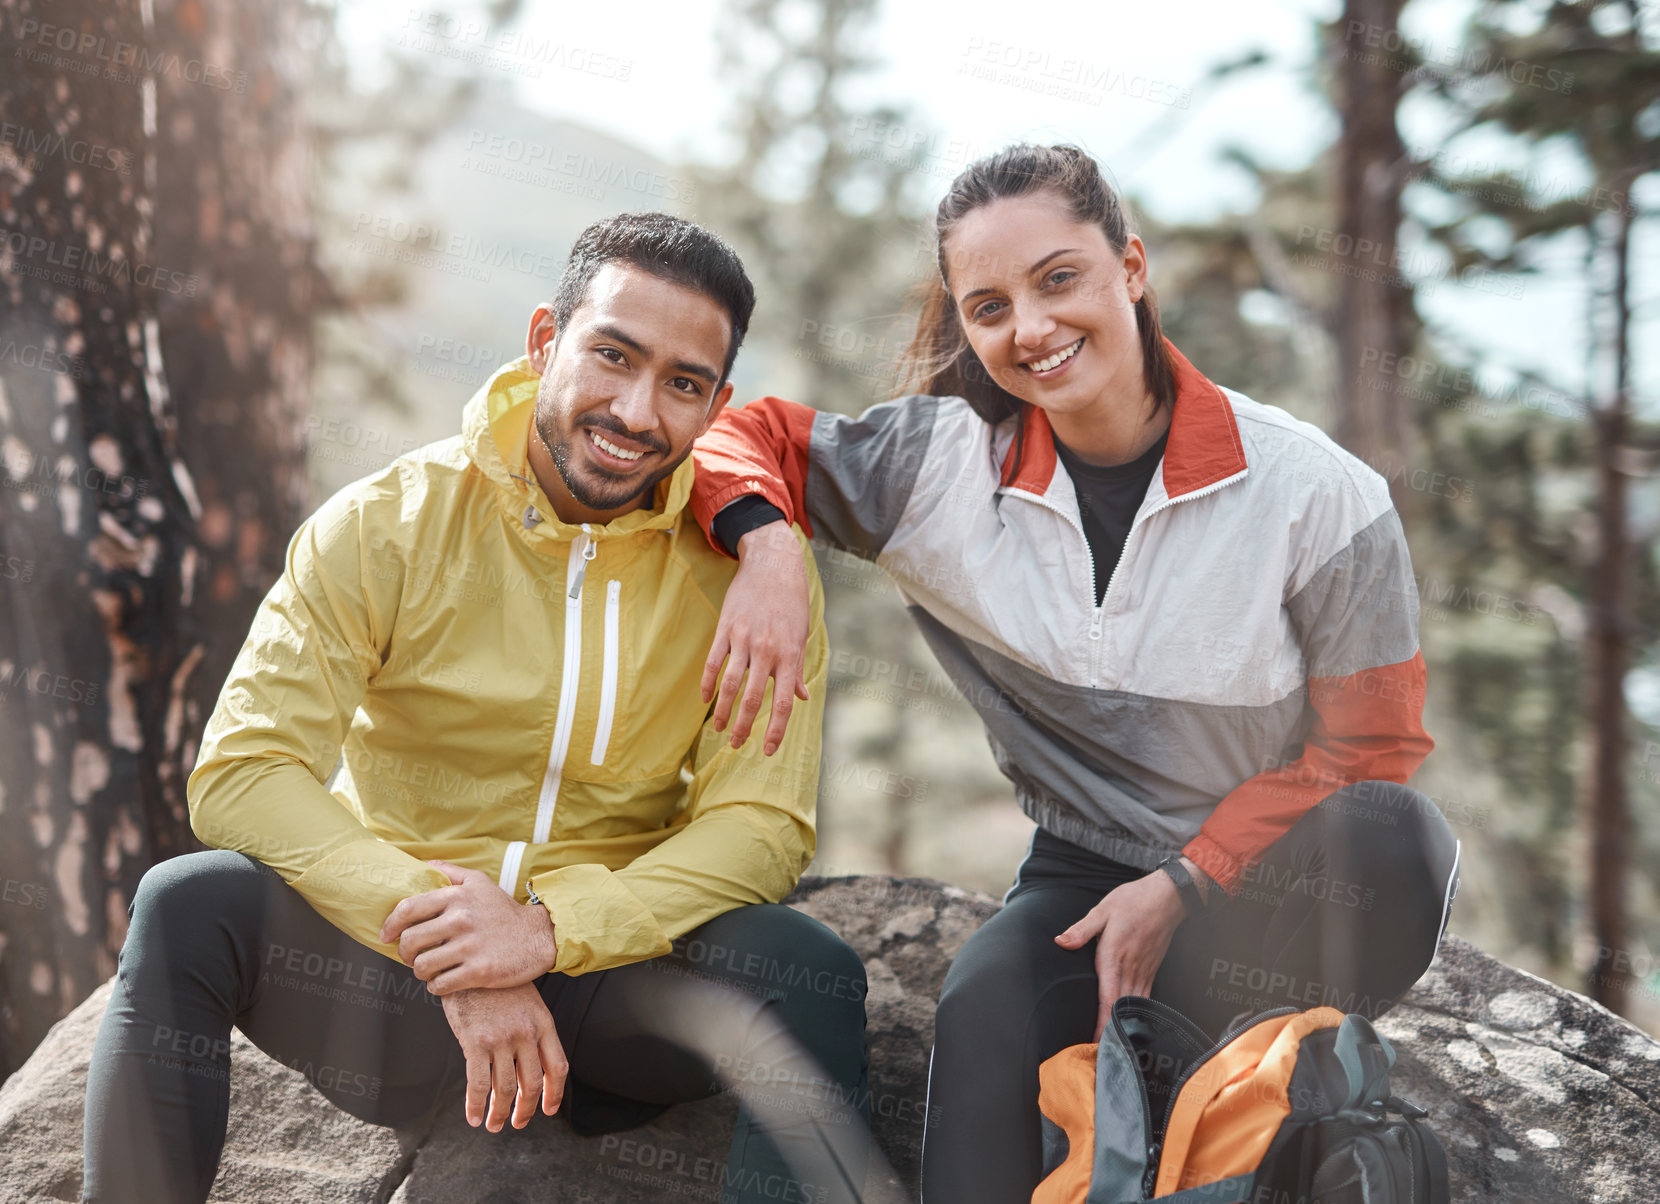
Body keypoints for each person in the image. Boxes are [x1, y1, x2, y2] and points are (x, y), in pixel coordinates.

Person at [688, 144, 1462, 1203]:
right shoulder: (935, 470)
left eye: (1060, 279)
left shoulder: (1317, 493)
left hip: (1264, 876)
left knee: (1393, 834)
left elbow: (1372, 744)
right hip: (1080, 880)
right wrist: (769, 548)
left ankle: (1242, 1104)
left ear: (1130, 267)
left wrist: (1186, 880)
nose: (1032, 329)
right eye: (989, 304)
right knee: (987, 1002)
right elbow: (741, 433)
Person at [81, 212, 876, 1204]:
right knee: (187, 903)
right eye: (612, 356)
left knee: (808, 972)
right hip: (390, 991)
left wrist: (547, 932)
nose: (635, 410)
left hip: (609, 995)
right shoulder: (387, 523)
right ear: (545, 341)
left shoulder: (752, 581)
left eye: (681, 383)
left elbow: (758, 827)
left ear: (718, 403)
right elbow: (245, 773)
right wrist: (459, 949)